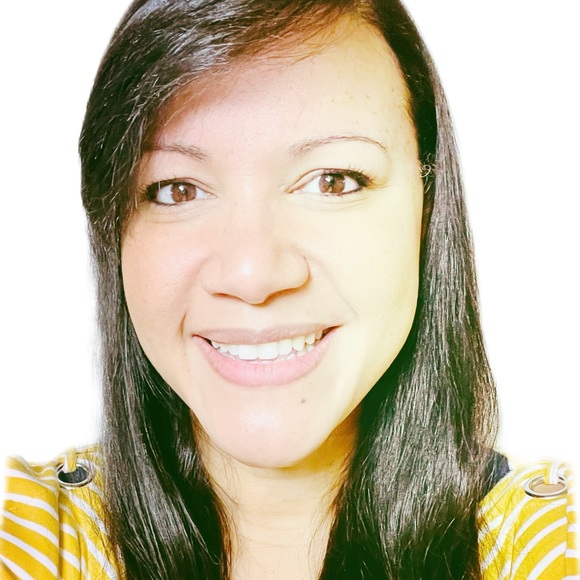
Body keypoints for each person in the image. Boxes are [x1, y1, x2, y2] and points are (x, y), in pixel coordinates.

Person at [0, 0, 576, 578]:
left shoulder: (552, 540)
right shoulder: (32, 534)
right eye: (177, 189)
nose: (252, 274)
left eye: (333, 181)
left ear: (427, 207)